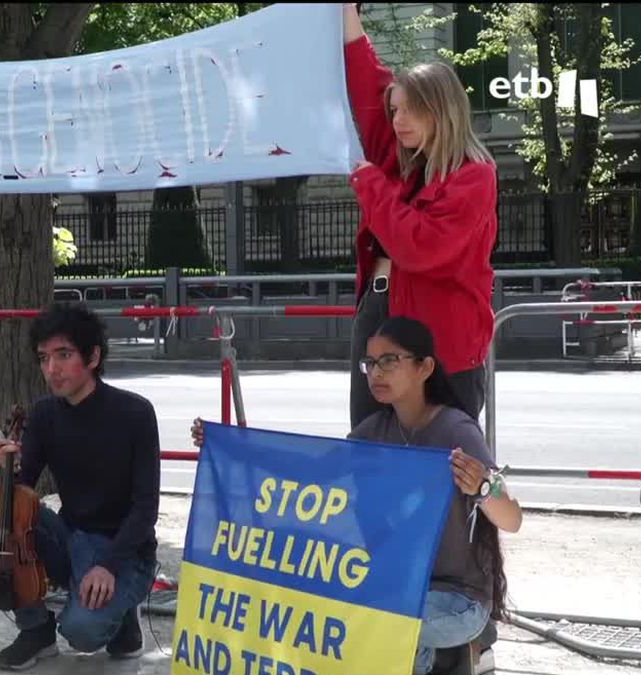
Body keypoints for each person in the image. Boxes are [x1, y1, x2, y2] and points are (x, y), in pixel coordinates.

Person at [193, 316, 521, 675]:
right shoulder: (375, 431)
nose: (376, 373)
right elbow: (312, 467)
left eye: (389, 361)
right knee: (326, 619)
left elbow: (512, 519)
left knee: (382, 629)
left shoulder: (456, 431)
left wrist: (484, 488)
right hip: (397, 589)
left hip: (459, 599)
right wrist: (233, 447)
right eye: (370, 363)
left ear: (424, 367)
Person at [342, 3, 498, 429]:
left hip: (441, 345)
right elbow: (363, 75)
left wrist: (371, 183)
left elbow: (419, 247)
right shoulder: (397, 156)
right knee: (372, 449)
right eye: (394, 109)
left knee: (442, 466)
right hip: (380, 317)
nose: (397, 120)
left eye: (410, 109)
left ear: (441, 110)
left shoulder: (474, 177)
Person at [0, 303, 160, 671]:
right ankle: (35, 629)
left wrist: (109, 566)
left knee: (82, 634)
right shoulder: (45, 413)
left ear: (93, 356)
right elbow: (23, 488)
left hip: (126, 550)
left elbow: (146, 507)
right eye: (44, 358)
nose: (52, 369)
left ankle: (124, 616)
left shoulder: (135, 413)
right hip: (71, 535)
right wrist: (10, 468)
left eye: (64, 355)